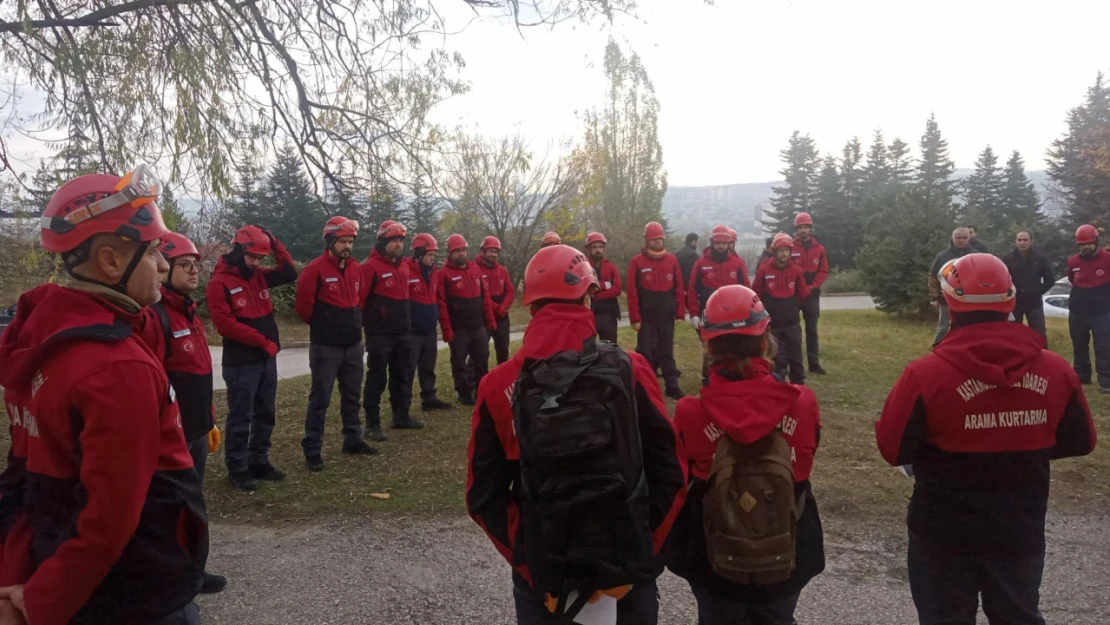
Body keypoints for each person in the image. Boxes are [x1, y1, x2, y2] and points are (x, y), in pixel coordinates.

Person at [0, 166, 208, 624]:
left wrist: (22, 582)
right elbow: (110, 518)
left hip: (62, 568)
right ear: (111, 261)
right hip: (137, 589)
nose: (161, 265)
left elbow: (23, 476)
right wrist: (40, 602)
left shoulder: (39, 337)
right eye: (154, 251)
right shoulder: (115, 367)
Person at [466, 244, 688, 625]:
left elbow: (482, 496)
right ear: (588, 296)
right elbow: (672, 472)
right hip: (628, 573)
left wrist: (530, 558)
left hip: (546, 579)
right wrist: (639, 550)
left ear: (531, 306)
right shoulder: (631, 368)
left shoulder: (497, 385)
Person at [876, 253, 1096, 625]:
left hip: (942, 531)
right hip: (1019, 524)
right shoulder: (1056, 369)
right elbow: (1080, 440)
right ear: (1010, 299)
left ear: (951, 302)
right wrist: (1021, 440)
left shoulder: (924, 374)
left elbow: (893, 449)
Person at [668, 284, 825, 625]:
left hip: (716, 560)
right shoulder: (802, 401)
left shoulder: (689, 412)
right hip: (787, 552)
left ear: (708, 345)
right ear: (765, 339)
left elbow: (680, 479)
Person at [142, 233, 226, 594]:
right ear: (164, 269)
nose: (194, 272)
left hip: (195, 429)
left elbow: (200, 373)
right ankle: (174, 578)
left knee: (193, 503)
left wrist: (208, 418)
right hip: (170, 436)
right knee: (172, 508)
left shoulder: (189, 312)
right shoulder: (156, 317)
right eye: (185, 265)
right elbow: (153, 382)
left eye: (197, 265)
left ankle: (193, 571)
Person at [207, 223, 298, 490]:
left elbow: (289, 272)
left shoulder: (258, 276)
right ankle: (237, 467)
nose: (257, 263)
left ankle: (259, 460)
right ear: (238, 250)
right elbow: (226, 325)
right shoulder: (219, 284)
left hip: (265, 358)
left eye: (261, 258)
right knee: (241, 416)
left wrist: (273, 240)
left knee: (266, 412)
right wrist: (262, 343)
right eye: (253, 257)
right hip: (241, 362)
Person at [294, 217, 377, 471]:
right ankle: (312, 448)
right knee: (321, 399)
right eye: (342, 241)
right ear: (330, 240)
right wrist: (327, 328)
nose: (347, 246)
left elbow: (359, 300)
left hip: (353, 345)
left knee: (352, 396)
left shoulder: (356, 269)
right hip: (326, 348)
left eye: (350, 241)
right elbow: (303, 308)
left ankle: (353, 439)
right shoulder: (314, 270)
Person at [361, 220, 422, 442]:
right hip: (379, 333)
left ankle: (401, 415)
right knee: (377, 378)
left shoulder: (404, 266)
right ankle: (371, 423)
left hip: (403, 331)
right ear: (383, 242)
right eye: (393, 240)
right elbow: (361, 301)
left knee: (402, 374)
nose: (398, 244)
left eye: (400, 240)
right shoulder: (370, 267)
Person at [628, 221, 687, 399]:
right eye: (654, 240)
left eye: (660, 239)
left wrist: (679, 312)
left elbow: (678, 287)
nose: (657, 243)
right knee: (645, 352)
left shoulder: (672, 260)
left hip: (666, 316)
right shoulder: (636, 262)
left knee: (666, 351)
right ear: (647, 241)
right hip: (646, 317)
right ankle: (646, 387)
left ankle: (672, 386)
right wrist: (635, 318)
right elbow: (632, 292)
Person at [435, 234, 496, 406]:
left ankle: (481, 389)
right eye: (457, 251)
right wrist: (447, 329)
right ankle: (463, 393)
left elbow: (485, 297)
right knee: (459, 361)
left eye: (463, 250)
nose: (461, 253)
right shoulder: (443, 275)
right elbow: (442, 304)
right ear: (450, 253)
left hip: (478, 326)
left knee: (482, 359)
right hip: (458, 328)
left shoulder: (475, 270)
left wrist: (490, 320)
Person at [687, 225, 750, 386]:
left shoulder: (738, 263)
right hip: (709, 315)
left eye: (724, 243)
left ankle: (733, 379)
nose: (721, 246)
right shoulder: (701, 264)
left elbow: (747, 290)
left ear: (729, 243)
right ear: (712, 243)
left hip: (734, 316)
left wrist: (748, 311)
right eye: (718, 243)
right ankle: (708, 381)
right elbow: (692, 290)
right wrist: (694, 314)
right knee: (711, 350)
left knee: (734, 349)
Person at [753, 233, 811, 385]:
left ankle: (798, 384)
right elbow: (756, 295)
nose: (784, 253)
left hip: (792, 322)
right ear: (774, 252)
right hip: (772, 323)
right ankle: (775, 384)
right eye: (781, 250)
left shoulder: (797, 271)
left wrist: (791, 306)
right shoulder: (764, 271)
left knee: (795, 355)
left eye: (787, 250)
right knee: (774, 356)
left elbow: (802, 293)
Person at [405, 233, 453, 411]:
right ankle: (404, 404)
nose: (433, 259)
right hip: (412, 331)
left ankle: (429, 398)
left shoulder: (434, 273)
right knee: (408, 369)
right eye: (430, 255)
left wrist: (443, 326)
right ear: (419, 254)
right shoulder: (406, 270)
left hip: (429, 329)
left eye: (434, 255)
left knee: (428, 367)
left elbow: (438, 299)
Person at [1067, 224, 1110, 392]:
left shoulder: (1107, 259)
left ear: (1096, 242)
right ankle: (1082, 376)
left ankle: (1106, 381)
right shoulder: (1072, 261)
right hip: (1077, 311)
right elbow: (1072, 279)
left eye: (1088, 244)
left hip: (1101, 312)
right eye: (1081, 244)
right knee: (1079, 345)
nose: (1085, 247)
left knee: (1104, 346)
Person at [1002, 231, 1055, 346]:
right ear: (1015, 241)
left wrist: (1037, 292)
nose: (1022, 243)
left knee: (1039, 334)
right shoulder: (1007, 259)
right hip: (1014, 303)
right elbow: (1002, 279)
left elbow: (1050, 280)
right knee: (1013, 335)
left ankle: (1043, 359)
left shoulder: (1039, 259)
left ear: (1031, 241)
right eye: (1019, 240)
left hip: (1034, 303)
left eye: (1025, 240)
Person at [791, 213, 829, 375]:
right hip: (795, 295)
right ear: (796, 229)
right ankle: (794, 363)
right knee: (793, 331)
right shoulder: (790, 247)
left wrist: (813, 286)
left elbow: (823, 270)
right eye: (800, 228)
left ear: (810, 228)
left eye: (806, 227)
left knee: (812, 330)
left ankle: (814, 364)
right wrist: (800, 287)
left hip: (812, 295)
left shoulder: (819, 248)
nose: (803, 230)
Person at [927, 227, 973, 347]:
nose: (961, 240)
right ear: (952, 238)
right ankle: (937, 349)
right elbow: (933, 277)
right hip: (946, 298)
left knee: (968, 327)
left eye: (964, 237)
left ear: (969, 238)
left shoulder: (976, 255)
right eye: (958, 237)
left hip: (970, 300)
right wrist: (934, 297)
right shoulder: (942, 256)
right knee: (943, 328)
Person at [478, 236, 515, 364]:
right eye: (490, 251)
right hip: (484, 319)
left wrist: (504, 308)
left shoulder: (502, 270)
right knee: (480, 354)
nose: (493, 254)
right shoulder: (475, 269)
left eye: (495, 252)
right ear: (483, 251)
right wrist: (497, 308)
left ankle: (502, 382)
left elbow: (510, 290)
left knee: (503, 352)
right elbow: (480, 295)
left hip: (502, 318)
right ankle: (479, 382)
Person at [586, 231, 623, 343]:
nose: (598, 250)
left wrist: (596, 294)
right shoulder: (584, 266)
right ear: (588, 250)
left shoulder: (611, 267)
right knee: (587, 348)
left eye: (600, 247)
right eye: (595, 247)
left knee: (610, 348)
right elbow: (585, 288)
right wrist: (605, 285)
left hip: (609, 314)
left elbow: (617, 289)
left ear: (604, 249)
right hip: (589, 315)